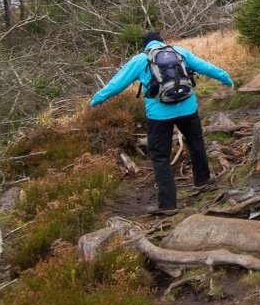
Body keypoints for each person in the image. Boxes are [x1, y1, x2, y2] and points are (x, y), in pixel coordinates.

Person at [90, 31, 235, 215]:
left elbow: (117, 84)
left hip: (159, 115)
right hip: (188, 108)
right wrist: (226, 79)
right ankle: (203, 179)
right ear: (162, 42)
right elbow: (206, 67)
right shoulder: (180, 52)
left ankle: (168, 204)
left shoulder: (140, 60)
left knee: (160, 157)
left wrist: (96, 100)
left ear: (145, 46)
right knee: (196, 142)